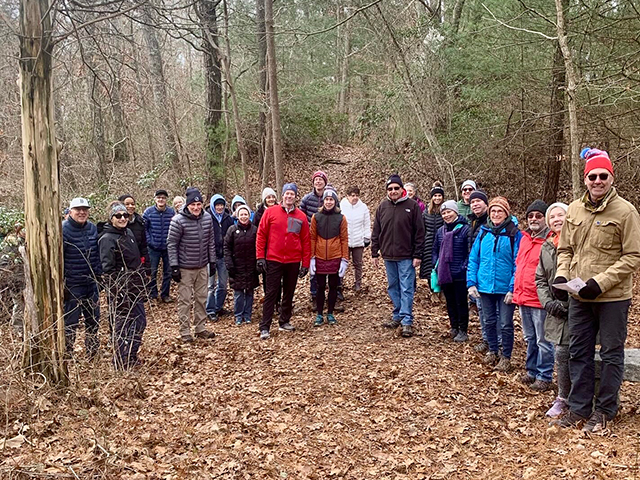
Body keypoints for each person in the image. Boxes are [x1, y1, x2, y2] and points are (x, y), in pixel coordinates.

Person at [552, 147, 640, 432]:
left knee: (612, 353)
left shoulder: (626, 212)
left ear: (611, 178)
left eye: (603, 175)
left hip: (613, 297)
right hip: (579, 296)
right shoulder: (575, 209)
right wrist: (562, 277)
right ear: (585, 178)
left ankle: (604, 411)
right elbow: (565, 248)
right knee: (579, 352)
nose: (597, 181)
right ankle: (579, 408)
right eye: (593, 176)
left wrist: (600, 283)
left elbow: (633, 256)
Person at [467, 196, 521, 371]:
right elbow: (474, 258)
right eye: (493, 211)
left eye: (500, 211)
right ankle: (492, 350)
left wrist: (512, 288)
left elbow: (517, 263)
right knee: (488, 321)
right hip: (484, 286)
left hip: (505, 288)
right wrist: (471, 283)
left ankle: (506, 357)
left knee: (505, 323)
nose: (496, 214)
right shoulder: (484, 232)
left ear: (506, 213)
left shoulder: (514, 234)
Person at [371, 174, 425, 338]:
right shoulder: (382, 207)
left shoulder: (412, 206)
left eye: (396, 188)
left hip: (406, 256)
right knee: (393, 287)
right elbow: (376, 231)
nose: (393, 191)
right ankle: (398, 315)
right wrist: (374, 252)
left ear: (402, 189)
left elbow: (420, 232)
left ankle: (407, 321)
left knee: (407, 288)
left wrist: (418, 254)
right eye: (390, 189)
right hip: (388, 255)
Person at [256, 182, 311, 340]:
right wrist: (260, 257)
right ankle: (265, 326)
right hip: (273, 259)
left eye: (292, 194)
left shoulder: (300, 216)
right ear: (282, 196)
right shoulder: (271, 213)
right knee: (271, 293)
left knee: (289, 292)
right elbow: (261, 235)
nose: (289, 196)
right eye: (287, 194)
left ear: (295, 197)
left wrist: (305, 263)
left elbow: (306, 241)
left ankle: (284, 321)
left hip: (293, 261)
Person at [98, 202, 147, 369]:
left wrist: (142, 281)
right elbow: (108, 269)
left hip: (135, 288)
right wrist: (115, 290)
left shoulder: (129, 233)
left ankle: (131, 355)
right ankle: (120, 361)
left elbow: (136, 261)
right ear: (111, 218)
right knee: (121, 327)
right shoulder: (106, 239)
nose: (123, 218)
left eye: (125, 215)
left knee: (140, 322)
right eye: (118, 216)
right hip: (120, 291)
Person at [514, 200, 555, 391]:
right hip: (523, 296)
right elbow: (519, 266)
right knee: (529, 338)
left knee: (543, 340)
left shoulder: (551, 240)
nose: (534, 219)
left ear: (545, 218)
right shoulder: (524, 238)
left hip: (540, 298)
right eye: (530, 216)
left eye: (538, 216)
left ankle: (544, 375)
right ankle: (531, 371)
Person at [167, 187, 217, 343]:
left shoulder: (207, 218)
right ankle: (185, 331)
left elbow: (210, 242)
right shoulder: (178, 220)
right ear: (187, 205)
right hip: (185, 268)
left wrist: (212, 261)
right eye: (192, 205)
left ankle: (200, 328)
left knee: (202, 298)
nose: (196, 208)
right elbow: (171, 244)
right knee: (185, 300)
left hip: (202, 266)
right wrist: (174, 266)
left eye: (199, 204)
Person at [535, 202, 570, 417]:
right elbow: (540, 278)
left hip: (578, 308)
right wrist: (547, 302)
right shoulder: (546, 247)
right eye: (553, 217)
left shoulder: (578, 241)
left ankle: (582, 398)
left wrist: (568, 303)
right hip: (555, 311)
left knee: (580, 353)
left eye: (561, 215)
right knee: (561, 352)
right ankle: (563, 397)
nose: (557, 219)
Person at [62, 197, 103, 359]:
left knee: (93, 320)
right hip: (72, 285)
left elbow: (97, 255)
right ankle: (67, 353)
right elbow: (58, 259)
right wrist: (62, 283)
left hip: (91, 284)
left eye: (84, 209)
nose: (81, 212)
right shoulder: (63, 230)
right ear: (70, 211)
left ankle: (92, 352)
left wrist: (98, 278)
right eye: (78, 209)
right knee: (70, 323)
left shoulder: (92, 228)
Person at [432, 200, 470, 342]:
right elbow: (435, 249)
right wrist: (435, 264)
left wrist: (463, 267)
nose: (447, 215)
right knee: (450, 302)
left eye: (449, 212)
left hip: (460, 273)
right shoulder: (440, 231)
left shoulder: (465, 229)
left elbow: (468, 251)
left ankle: (463, 329)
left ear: (456, 212)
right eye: (444, 213)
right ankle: (453, 326)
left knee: (461, 302)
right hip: (444, 272)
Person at [311, 189, 349, 326]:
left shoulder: (341, 218)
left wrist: (345, 259)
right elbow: (312, 238)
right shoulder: (316, 217)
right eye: (326, 199)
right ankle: (319, 314)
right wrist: (312, 257)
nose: (328, 202)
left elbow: (344, 239)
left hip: (335, 256)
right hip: (320, 256)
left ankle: (331, 313)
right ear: (323, 201)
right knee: (320, 286)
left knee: (334, 286)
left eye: (331, 200)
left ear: (335, 201)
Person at [224, 204, 259, 326]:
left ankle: (247, 315)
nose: (244, 217)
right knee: (238, 293)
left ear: (249, 216)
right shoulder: (232, 230)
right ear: (237, 216)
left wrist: (258, 263)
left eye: (246, 214)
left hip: (251, 266)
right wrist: (229, 264)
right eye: (241, 214)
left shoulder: (254, 230)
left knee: (249, 292)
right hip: (236, 267)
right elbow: (227, 248)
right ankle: (238, 316)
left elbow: (259, 247)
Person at [467, 189, 490, 352]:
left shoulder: (490, 222)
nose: (475, 204)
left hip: (490, 272)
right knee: (481, 309)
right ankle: (486, 339)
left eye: (478, 201)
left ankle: (495, 342)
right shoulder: (473, 222)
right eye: (472, 202)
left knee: (491, 312)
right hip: (477, 271)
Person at [300, 171, 328, 302]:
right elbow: (301, 216)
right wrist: (311, 224)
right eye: (316, 180)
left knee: (327, 264)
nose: (318, 182)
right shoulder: (306, 199)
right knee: (313, 265)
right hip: (311, 236)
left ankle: (332, 292)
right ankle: (314, 294)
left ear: (325, 182)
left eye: (320, 180)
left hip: (326, 236)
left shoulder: (329, 197)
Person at [143, 189, 175, 303]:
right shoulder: (148, 212)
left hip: (167, 247)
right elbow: (144, 229)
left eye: (163, 198)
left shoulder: (171, 212)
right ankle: (153, 294)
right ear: (155, 199)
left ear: (166, 199)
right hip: (153, 248)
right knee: (152, 272)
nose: (161, 199)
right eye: (159, 197)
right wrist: (149, 241)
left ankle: (165, 294)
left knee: (168, 272)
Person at [206, 194, 234, 320]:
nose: (219, 207)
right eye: (217, 205)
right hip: (209, 256)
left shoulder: (228, 218)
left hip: (223, 256)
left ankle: (218, 307)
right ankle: (210, 310)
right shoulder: (206, 218)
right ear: (213, 205)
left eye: (221, 205)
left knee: (222, 284)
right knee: (210, 285)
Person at [339, 185, 371, 292]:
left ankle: (358, 284)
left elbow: (367, 223)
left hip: (358, 240)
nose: (355, 198)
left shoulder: (363, 207)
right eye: (352, 195)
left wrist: (367, 237)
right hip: (345, 241)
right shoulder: (341, 206)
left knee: (358, 264)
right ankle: (340, 283)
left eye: (357, 195)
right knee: (342, 263)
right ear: (347, 196)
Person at [0, 223, 25, 337]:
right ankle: (18, 331)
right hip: (17, 281)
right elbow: (4, 264)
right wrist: (13, 278)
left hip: (31, 281)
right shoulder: (11, 242)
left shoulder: (34, 240)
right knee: (19, 305)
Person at [419, 182, 444, 287]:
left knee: (441, 267)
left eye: (439, 195)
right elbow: (421, 229)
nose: (437, 198)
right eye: (435, 196)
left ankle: (441, 290)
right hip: (428, 244)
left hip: (441, 243)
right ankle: (432, 290)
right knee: (429, 268)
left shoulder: (445, 211)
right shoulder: (426, 212)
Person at [118, 194, 149, 269]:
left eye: (132, 204)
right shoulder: (117, 225)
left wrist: (146, 264)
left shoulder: (140, 222)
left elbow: (143, 246)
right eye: (127, 204)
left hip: (138, 264)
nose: (130, 206)